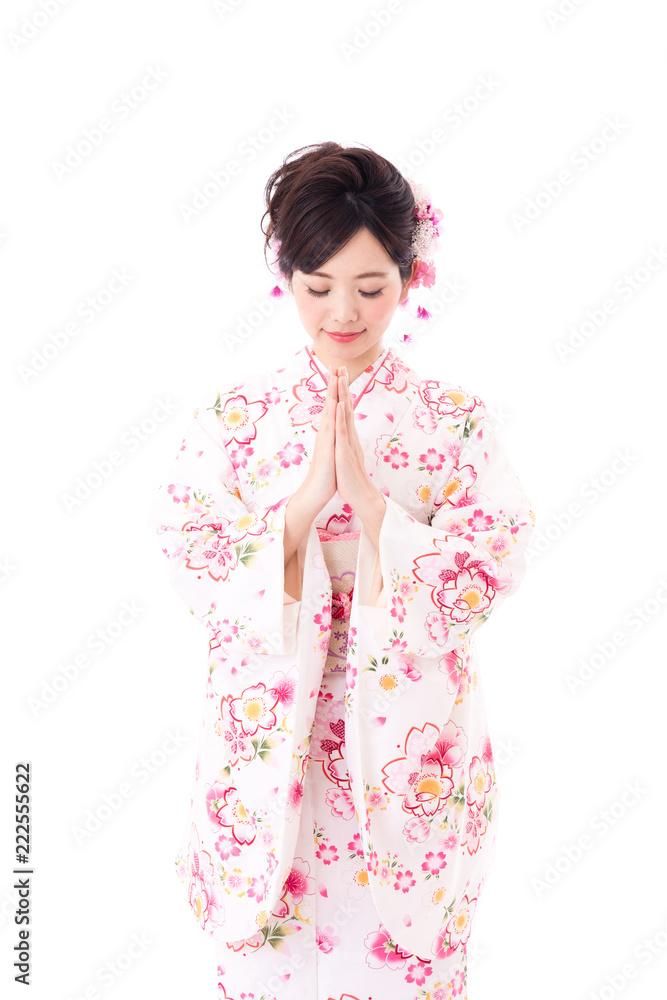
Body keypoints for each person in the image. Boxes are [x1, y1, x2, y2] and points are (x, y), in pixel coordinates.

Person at [146, 141, 536, 1000]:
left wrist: (374, 513)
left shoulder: (450, 421)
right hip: (269, 734)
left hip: (404, 735)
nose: (342, 314)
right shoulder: (235, 417)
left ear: (410, 276)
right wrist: (295, 517)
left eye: (370, 287)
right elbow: (186, 546)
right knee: (266, 951)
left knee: (401, 951)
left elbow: (495, 551)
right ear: (285, 277)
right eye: (318, 288)